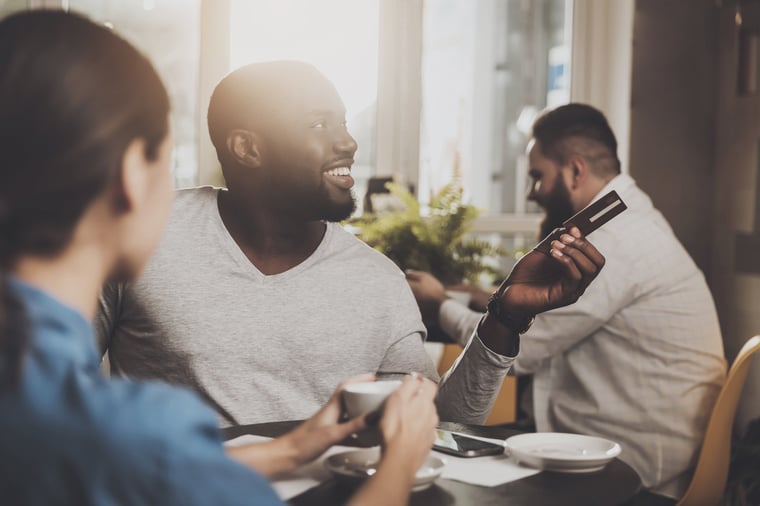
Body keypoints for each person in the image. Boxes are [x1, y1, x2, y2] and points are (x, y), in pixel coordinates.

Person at [0, 10, 441, 505]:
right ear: (130, 177)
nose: (348, 141)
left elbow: (121, 460)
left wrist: (293, 447)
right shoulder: (140, 421)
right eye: (161, 163)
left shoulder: (58, 407)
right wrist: (401, 460)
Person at [96, 61, 606, 427]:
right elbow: (39, 389)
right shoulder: (143, 234)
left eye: (342, 121)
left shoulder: (376, 280)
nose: (348, 141)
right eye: (319, 124)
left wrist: (505, 318)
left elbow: (438, 424)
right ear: (247, 148)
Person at [406, 103, 727, 502]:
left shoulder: (609, 244)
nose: (531, 192)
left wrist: (439, 305)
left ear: (575, 171)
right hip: (617, 448)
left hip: (632, 472)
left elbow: (520, 355)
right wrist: (485, 295)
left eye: (537, 177)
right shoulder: (626, 218)